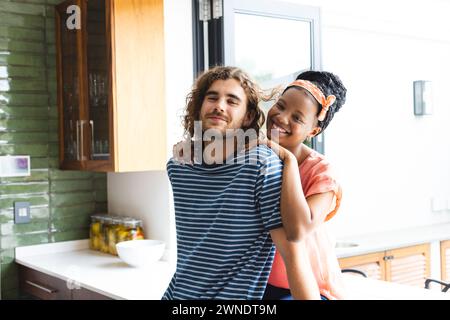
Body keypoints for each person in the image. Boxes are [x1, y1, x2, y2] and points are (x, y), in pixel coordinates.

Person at [163, 66, 320, 300]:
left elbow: (293, 254)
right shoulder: (179, 166)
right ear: (199, 107)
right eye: (212, 97)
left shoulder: (261, 167)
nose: (219, 106)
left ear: (248, 116)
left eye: (232, 101)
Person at [261, 71, 347, 300]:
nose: (281, 117)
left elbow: (297, 230)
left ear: (313, 131)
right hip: (259, 285)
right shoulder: (257, 157)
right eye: (280, 106)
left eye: (297, 118)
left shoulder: (321, 172)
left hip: (308, 290)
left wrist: (288, 160)